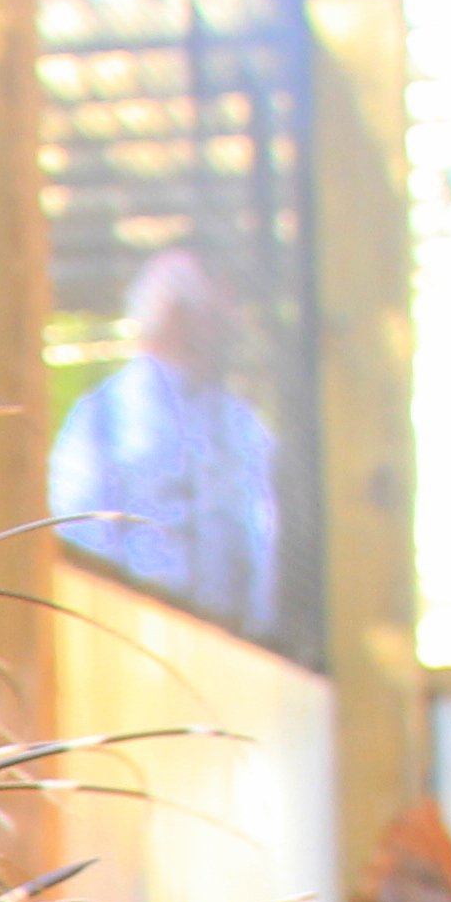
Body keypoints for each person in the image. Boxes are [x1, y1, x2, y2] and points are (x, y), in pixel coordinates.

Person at [49, 248, 280, 638]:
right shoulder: (104, 418)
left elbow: (263, 544)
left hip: (234, 649)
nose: (224, 336)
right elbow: (75, 532)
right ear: (176, 316)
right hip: (131, 641)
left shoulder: (240, 426)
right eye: (213, 320)